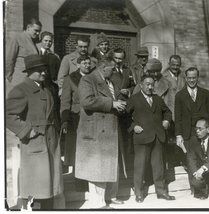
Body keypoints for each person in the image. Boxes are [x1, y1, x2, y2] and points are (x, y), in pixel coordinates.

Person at [6, 54, 63, 210]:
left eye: (44, 69)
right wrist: (26, 131)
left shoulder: (45, 89)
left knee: (49, 186)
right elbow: (7, 114)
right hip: (35, 141)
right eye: (38, 70)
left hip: (51, 140)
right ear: (29, 72)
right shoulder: (22, 90)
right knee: (37, 187)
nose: (43, 73)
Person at [75, 57, 127, 209]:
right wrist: (112, 104)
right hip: (97, 130)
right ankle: (98, 203)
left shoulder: (109, 81)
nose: (115, 70)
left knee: (111, 164)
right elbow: (87, 101)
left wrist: (120, 104)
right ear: (104, 67)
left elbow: (114, 98)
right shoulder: (87, 80)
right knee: (97, 168)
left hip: (111, 127)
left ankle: (111, 196)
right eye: (112, 68)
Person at [126, 75, 175, 203]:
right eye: (147, 84)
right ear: (141, 85)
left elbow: (168, 112)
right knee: (140, 167)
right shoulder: (133, 99)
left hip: (158, 137)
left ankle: (161, 192)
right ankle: (139, 193)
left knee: (159, 167)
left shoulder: (158, 99)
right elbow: (124, 117)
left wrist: (166, 120)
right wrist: (133, 126)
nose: (150, 87)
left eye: (152, 84)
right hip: (142, 137)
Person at [175, 67, 209, 193]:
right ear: (185, 78)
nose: (192, 80)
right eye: (189, 78)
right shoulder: (179, 95)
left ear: (197, 78)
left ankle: (208, 188)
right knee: (191, 161)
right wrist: (178, 135)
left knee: (205, 159)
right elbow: (178, 117)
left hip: (203, 132)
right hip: (188, 134)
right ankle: (196, 189)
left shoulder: (205, 93)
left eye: (194, 77)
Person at [60, 55, 93, 192]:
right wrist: (65, 120)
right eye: (84, 63)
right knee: (77, 152)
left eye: (88, 63)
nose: (86, 65)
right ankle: (79, 183)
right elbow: (65, 101)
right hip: (76, 119)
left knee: (90, 152)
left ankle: (91, 181)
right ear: (78, 65)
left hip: (91, 118)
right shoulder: (70, 79)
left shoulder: (94, 77)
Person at [6, 18, 42, 91]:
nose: (38, 33)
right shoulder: (16, 39)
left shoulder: (33, 42)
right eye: (36, 30)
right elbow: (8, 60)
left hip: (30, 82)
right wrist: (9, 77)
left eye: (39, 31)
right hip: (19, 81)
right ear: (28, 28)